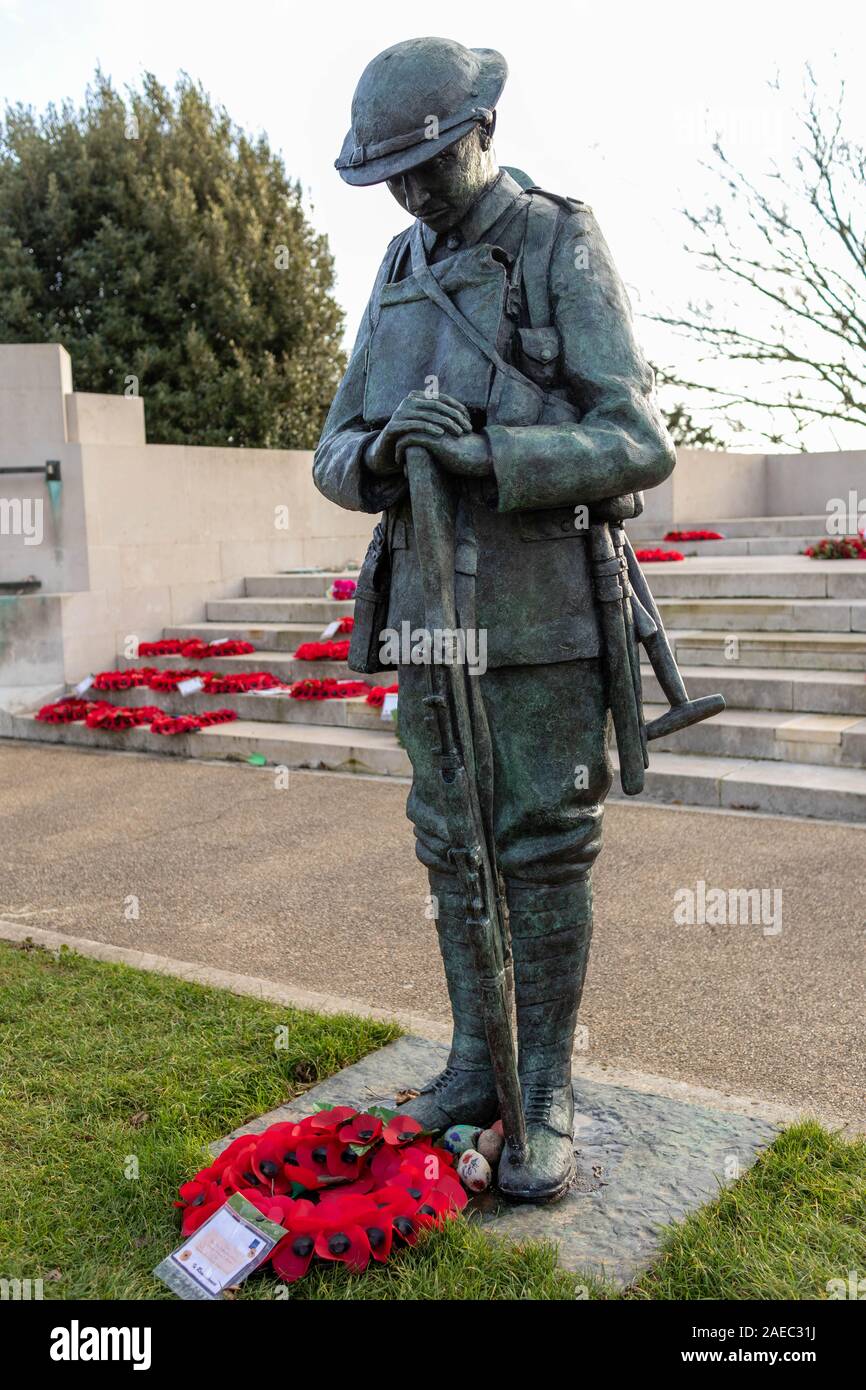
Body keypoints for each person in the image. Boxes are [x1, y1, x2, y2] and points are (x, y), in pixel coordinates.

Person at [314, 36, 675, 1202]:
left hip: (539, 613)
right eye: (390, 177)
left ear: (484, 134)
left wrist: (488, 453)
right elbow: (330, 450)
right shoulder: (396, 268)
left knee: (542, 848)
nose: (411, 194)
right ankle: (476, 1059)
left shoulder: (558, 239)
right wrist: (382, 452)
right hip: (426, 610)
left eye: (426, 164)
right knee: (449, 841)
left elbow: (635, 440)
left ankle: (550, 1084)